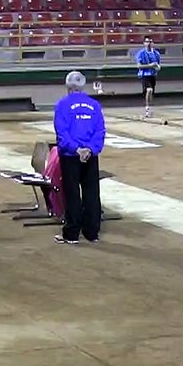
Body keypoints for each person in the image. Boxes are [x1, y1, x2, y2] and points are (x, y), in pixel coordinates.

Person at [53, 71, 106, 244]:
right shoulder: (95, 105)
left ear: (67, 86)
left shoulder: (62, 105)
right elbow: (100, 131)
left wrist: (77, 150)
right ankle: (92, 233)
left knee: (72, 193)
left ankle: (72, 233)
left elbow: (62, 133)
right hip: (91, 156)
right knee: (92, 193)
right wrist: (90, 149)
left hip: (70, 156)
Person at [135, 36, 161, 118]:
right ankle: (147, 109)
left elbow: (158, 65)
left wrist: (157, 67)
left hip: (153, 75)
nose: (148, 43)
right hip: (145, 75)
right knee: (149, 90)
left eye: (150, 42)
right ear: (144, 43)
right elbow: (139, 66)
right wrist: (150, 65)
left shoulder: (156, 54)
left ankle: (150, 108)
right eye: (147, 42)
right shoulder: (141, 53)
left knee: (151, 92)